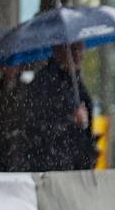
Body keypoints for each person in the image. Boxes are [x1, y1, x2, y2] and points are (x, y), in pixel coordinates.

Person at [21, 42, 98, 171]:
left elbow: (85, 125)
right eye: (74, 50)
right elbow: (36, 127)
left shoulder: (75, 82)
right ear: (59, 52)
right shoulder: (45, 83)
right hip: (53, 168)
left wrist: (89, 151)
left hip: (75, 167)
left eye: (81, 49)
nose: (80, 55)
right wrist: (71, 121)